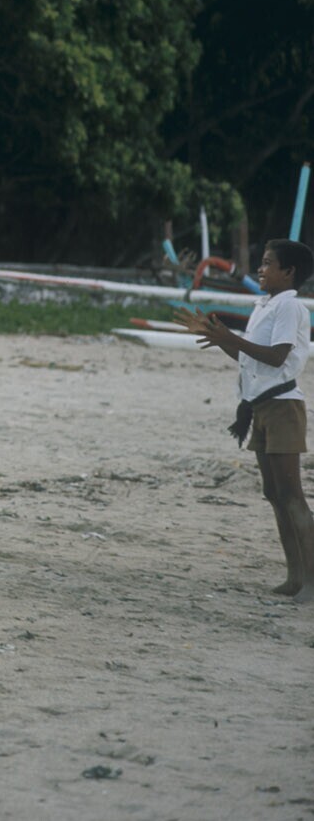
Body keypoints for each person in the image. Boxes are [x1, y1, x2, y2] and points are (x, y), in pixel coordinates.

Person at [179, 241, 314, 602]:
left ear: (289, 272)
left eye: (268, 264)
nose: (260, 269)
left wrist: (231, 338)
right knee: (275, 494)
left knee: (292, 496)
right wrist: (218, 337)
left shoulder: (289, 307)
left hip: (283, 408)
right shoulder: (264, 305)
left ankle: (311, 581)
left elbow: (277, 356)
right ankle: (295, 577)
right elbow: (248, 359)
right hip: (261, 407)